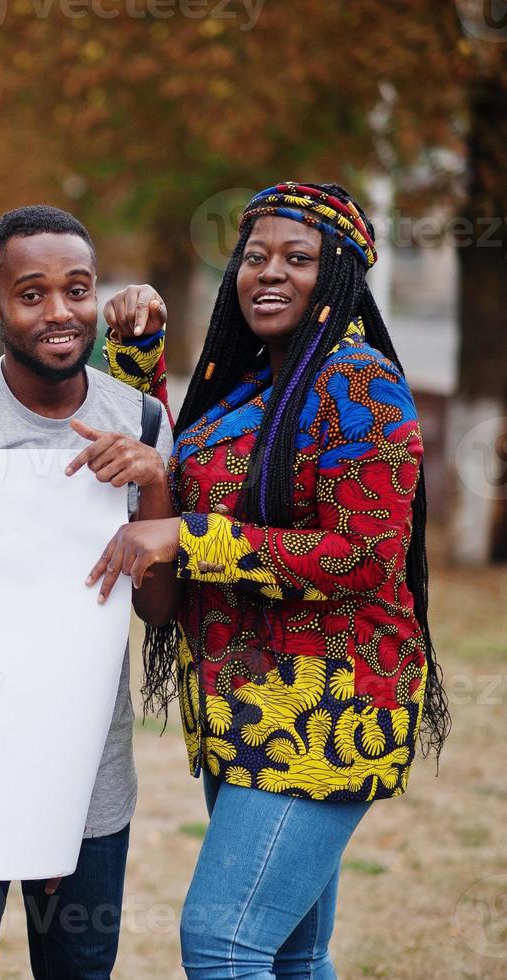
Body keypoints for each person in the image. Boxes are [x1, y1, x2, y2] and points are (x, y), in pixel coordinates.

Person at [95, 182, 449, 978]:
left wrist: (190, 539)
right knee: (292, 955)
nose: (268, 273)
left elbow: (361, 555)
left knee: (222, 946)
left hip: (329, 704)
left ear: (338, 279)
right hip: (237, 706)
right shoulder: (249, 387)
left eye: (297, 258)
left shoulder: (358, 387)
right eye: (253, 256)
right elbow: (173, 476)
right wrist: (138, 359)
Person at [0, 205, 171, 979]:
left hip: (90, 769)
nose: (58, 312)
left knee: (79, 969)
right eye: (31, 294)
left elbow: (157, 611)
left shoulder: (141, 419)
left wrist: (154, 487)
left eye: (77, 290)